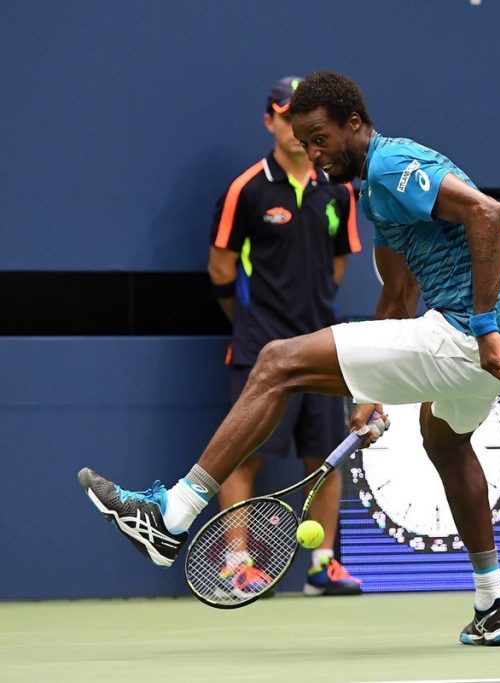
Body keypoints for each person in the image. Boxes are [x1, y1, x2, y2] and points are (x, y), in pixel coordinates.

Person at [78, 70, 500, 646]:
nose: (315, 154)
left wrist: (483, 326)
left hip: (473, 335)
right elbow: (397, 299)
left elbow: (486, 213)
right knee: (444, 440)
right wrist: (371, 393)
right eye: (305, 143)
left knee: (276, 362)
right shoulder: (375, 194)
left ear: (354, 124)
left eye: (321, 138)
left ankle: (172, 515)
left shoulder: (395, 164)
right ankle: (494, 604)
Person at [204, 76, 363, 597]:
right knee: (244, 454)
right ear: (270, 120)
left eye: (306, 118)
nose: (296, 130)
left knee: (325, 455)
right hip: (259, 343)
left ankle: (322, 566)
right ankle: (235, 564)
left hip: (321, 342)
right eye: (286, 116)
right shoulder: (246, 189)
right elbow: (221, 269)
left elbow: (337, 266)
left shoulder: (339, 187)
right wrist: (251, 320)